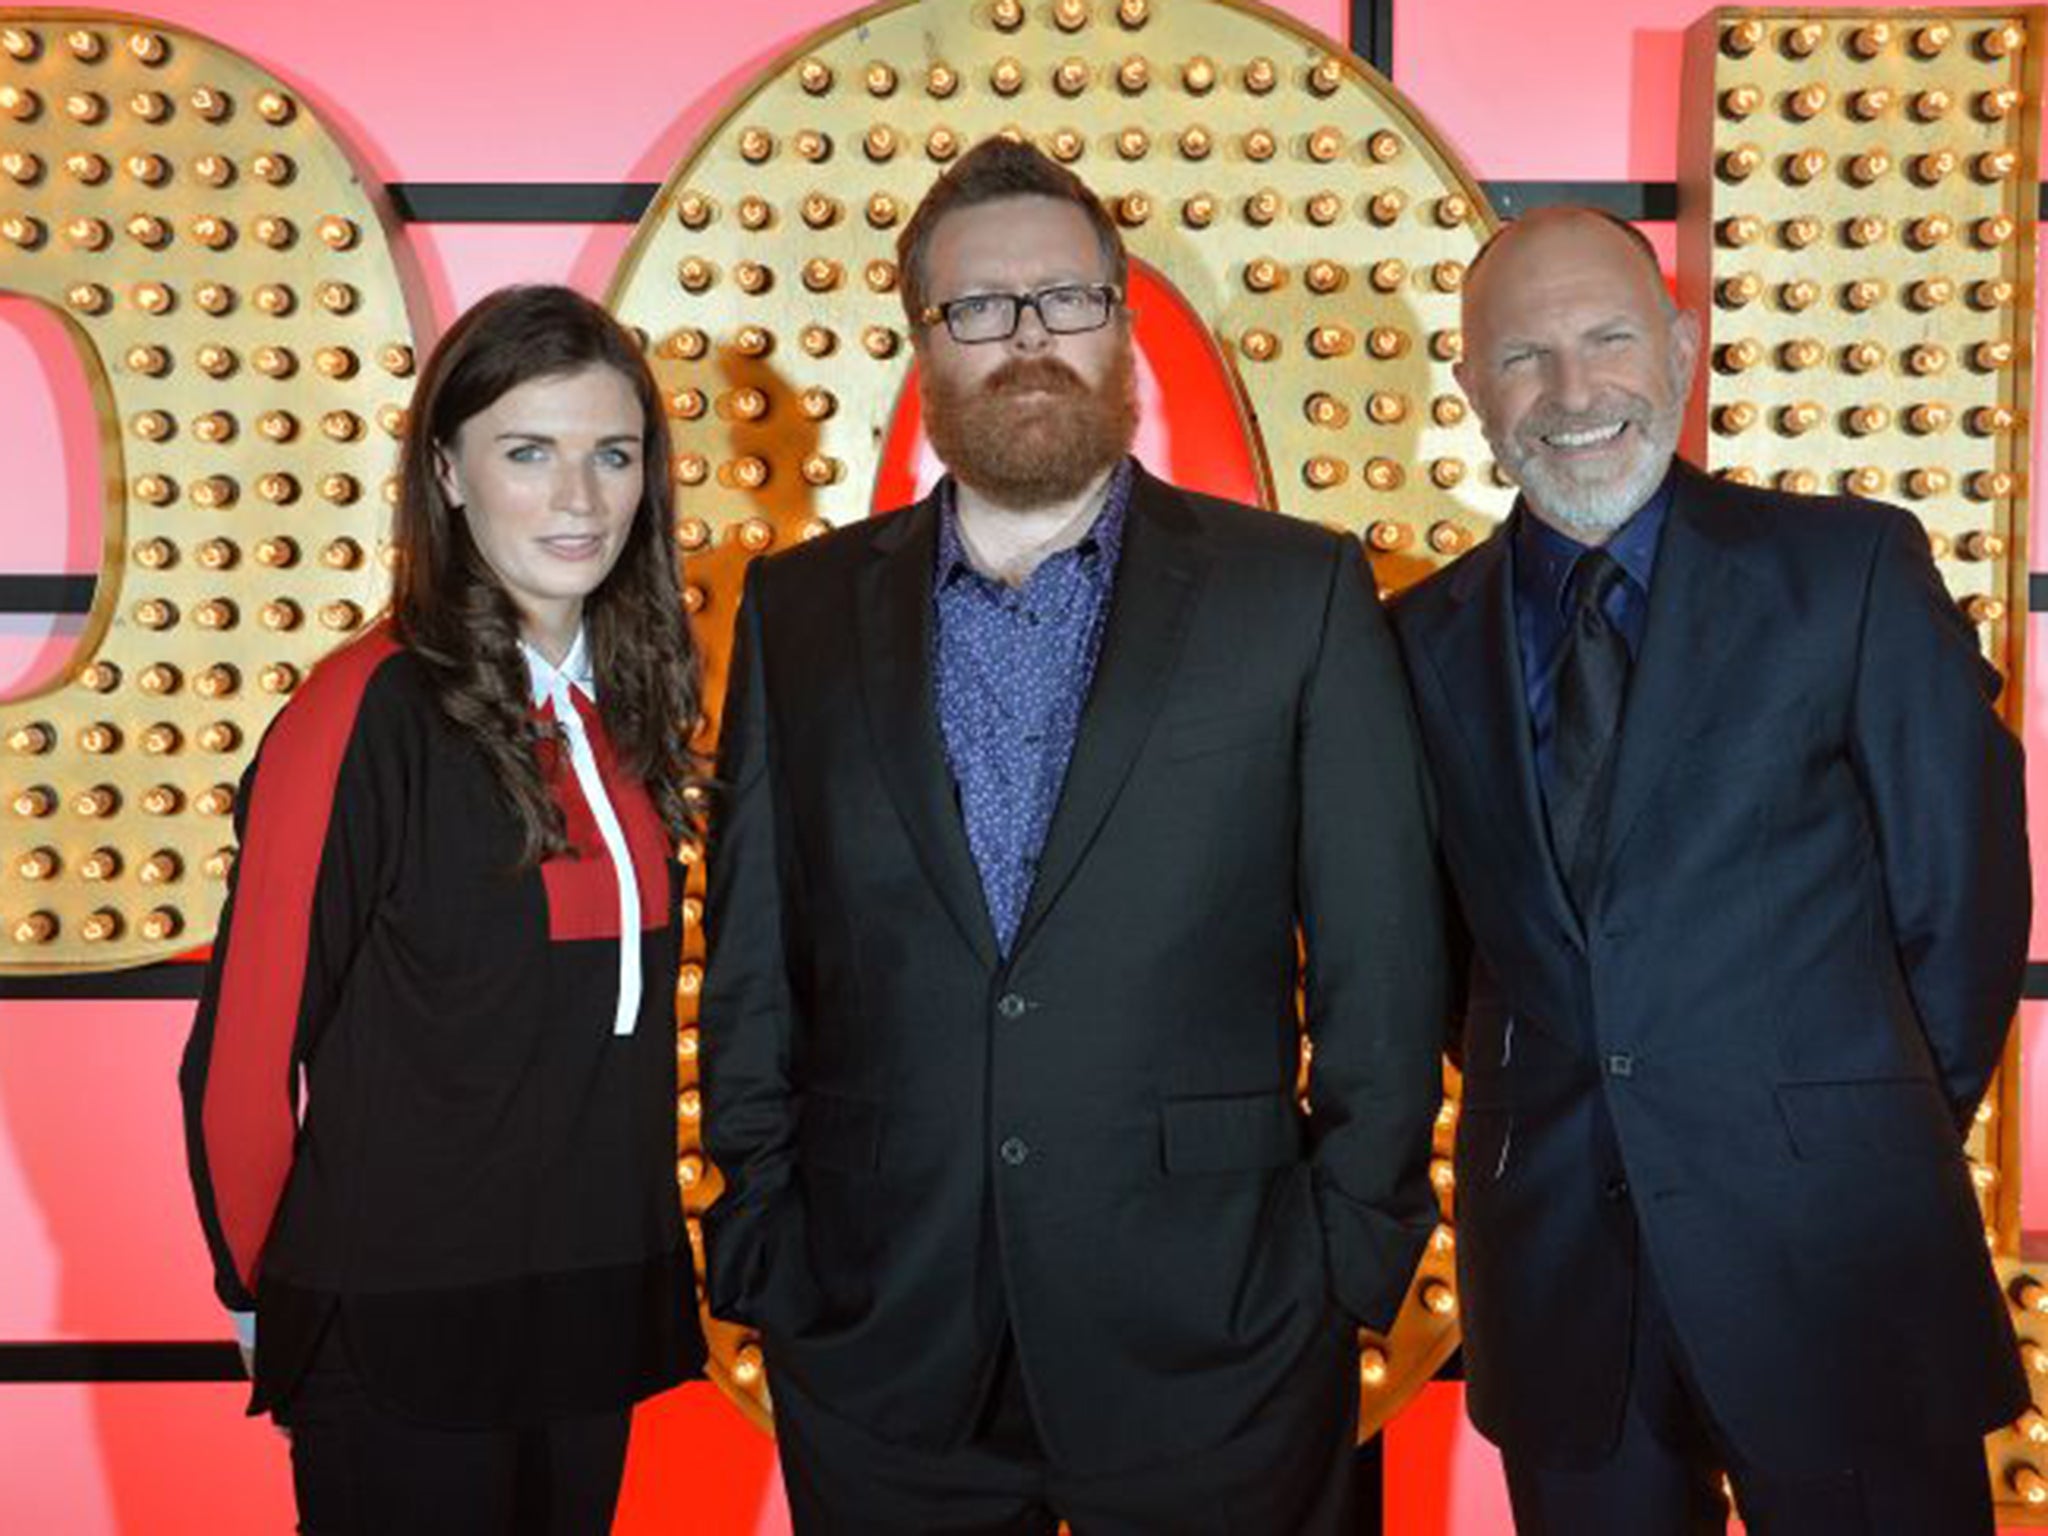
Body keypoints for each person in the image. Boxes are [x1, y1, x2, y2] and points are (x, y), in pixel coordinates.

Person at [698, 136, 1447, 1533]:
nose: (1027, 340)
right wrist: (762, 1234)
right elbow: (753, 954)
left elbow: (1383, 964)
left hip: (1219, 1336)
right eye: (979, 308)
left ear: (1122, 317)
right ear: (922, 340)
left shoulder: (1297, 593)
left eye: (1066, 299)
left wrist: (1347, 1261)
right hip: (878, 1335)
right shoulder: (796, 616)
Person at [1389, 206, 2030, 1534]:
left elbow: (1959, 914)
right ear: (1467, 388)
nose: (1573, 394)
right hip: (1559, 1278)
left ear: (1680, 348)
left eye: (1608, 339)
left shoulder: (1844, 572)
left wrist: (1844, 1131)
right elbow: (1444, 962)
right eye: (1523, 358)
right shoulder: (1414, 641)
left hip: (1840, 1253)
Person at [179, 284, 707, 1534]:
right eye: (529, 453)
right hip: (397, 1329)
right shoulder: (357, 710)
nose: (579, 500)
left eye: (611, 454)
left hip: (588, 1317)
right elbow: (242, 1058)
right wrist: (269, 1298)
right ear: (449, 474)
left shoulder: (635, 711)